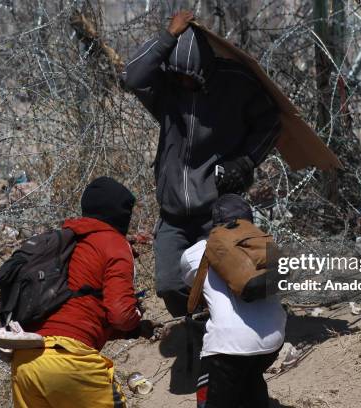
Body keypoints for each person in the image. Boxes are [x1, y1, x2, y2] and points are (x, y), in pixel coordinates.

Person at [122, 10, 281, 317]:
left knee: (227, 280)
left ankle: (224, 330)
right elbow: (132, 76)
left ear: (205, 71)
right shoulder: (166, 88)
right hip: (173, 214)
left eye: (190, 79)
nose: (184, 83)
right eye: (178, 77)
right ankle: (194, 328)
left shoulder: (235, 84)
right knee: (170, 286)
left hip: (216, 210)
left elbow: (271, 123)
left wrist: (246, 161)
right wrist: (168, 36)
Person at [11, 176, 151, 408]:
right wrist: (137, 320)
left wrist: (130, 333)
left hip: (26, 361)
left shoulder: (63, 243)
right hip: (70, 362)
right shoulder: (113, 242)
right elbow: (120, 313)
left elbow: (74, 312)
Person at [181, 194, 286, 408]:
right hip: (274, 339)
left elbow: (187, 280)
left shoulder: (197, 252)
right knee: (250, 374)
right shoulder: (263, 244)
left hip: (227, 347)